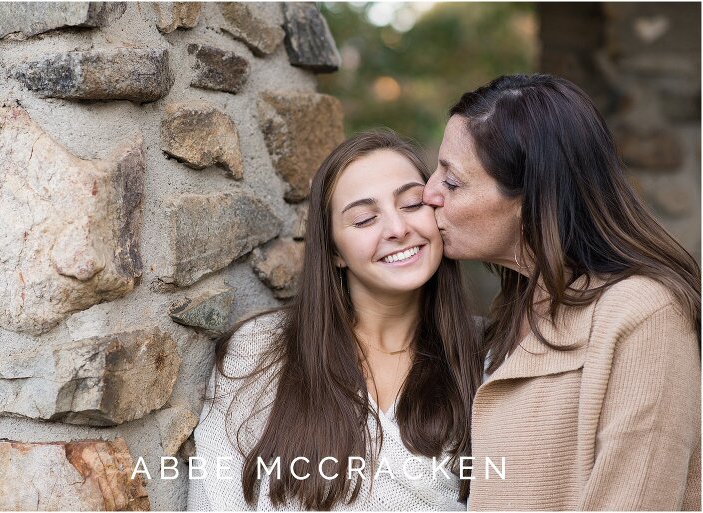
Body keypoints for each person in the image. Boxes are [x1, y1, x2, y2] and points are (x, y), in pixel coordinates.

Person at [423, 73, 701, 510]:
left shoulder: (644, 316)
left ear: (534, 199)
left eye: (452, 183)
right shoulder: (512, 312)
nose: (428, 194)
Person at [188, 130, 483, 511]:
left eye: (411, 204)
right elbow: (215, 499)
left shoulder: (488, 355)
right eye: (363, 220)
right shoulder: (259, 351)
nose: (397, 228)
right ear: (334, 252)